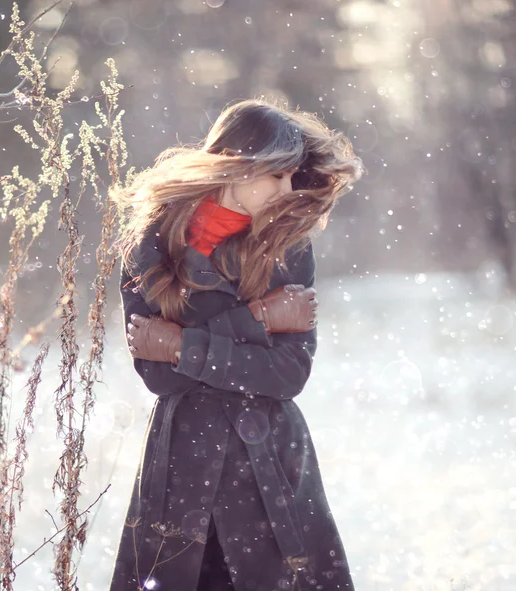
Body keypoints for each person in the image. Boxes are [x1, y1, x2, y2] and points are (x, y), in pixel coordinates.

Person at [108, 98, 363, 591]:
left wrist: (184, 344)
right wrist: (256, 320)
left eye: (293, 177)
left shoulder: (288, 245)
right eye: (277, 176)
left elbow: (289, 373)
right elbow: (158, 374)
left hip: (269, 461)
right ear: (240, 166)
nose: (288, 190)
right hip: (185, 460)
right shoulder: (151, 243)